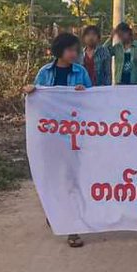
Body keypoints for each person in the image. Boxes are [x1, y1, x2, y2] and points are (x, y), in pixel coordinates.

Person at [25, 32, 92, 247]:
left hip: (73, 133)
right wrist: (30, 91)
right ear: (60, 50)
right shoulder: (45, 72)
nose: (74, 54)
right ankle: (55, 212)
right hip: (50, 134)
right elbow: (36, 100)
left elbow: (93, 101)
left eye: (76, 50)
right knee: (52, 176)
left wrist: (85, 93)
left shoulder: (80, 72)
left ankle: (72, 226)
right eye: (70, 49)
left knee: (72, 177)